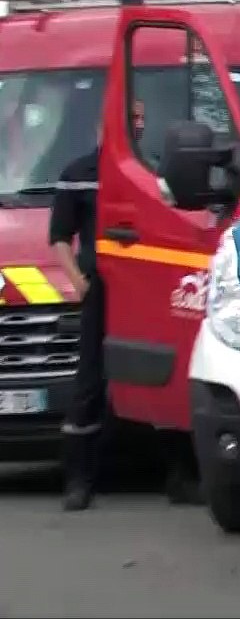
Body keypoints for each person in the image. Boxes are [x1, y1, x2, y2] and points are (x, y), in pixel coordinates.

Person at [48, 124, 104, 512]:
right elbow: (60, 237)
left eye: (140, 118)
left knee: (154, 375)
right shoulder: (78, 175)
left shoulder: (150, 172)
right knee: (88, 381)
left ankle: (178, 474)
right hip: (97, 287)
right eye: (130, 117)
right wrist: (77, 281)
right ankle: (77, 480)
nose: (138, 125)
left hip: (138, 287)